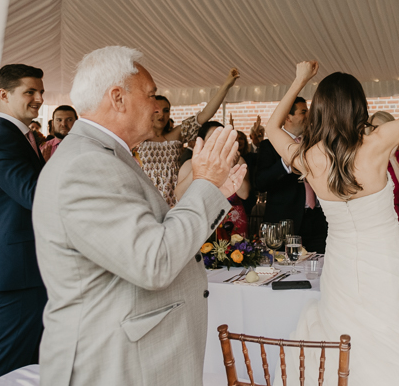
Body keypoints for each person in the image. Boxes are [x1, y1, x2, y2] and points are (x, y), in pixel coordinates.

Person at [33, 46, 246, 385]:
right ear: (117, 98)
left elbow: (146, 238)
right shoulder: (86, 165)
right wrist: (204, 185)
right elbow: (153, 261)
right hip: (114, 362)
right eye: (150, 95)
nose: (156, 105)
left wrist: (212, 193)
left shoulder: (106, 155)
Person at [269, 61, 399, 386]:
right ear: (358, 106)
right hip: (386, 259)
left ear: (319, 110)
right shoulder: (377, 143)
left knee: (345, 338)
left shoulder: (308, 157)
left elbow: (271, 129)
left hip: (340, 263)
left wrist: (298, 80)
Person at [0, 64, 47, 382]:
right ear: (4, 95)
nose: (38, 98)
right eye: (29, 91)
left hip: (27, 267)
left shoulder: (21, 136)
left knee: (28, 363)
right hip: (16, 270)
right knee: (8, 364)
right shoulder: (0, 138)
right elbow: (33, 194)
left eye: (41, 91)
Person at [136, 68, 239, 207]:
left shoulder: (176, 135)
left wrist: (227, 85)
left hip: (175, 199)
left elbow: (205, 115)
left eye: (166, 110)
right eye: (157, 110)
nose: (162, 114)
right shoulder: (136, 138)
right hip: (146, 200)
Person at [255, 97, 328, 253]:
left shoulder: (315, 144)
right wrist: (286, 163)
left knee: (320, 268)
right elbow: (260, 182)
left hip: (317, 219)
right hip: (286, 222)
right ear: (288, 117)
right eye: (303, 112)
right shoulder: (269, 146)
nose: (308, 115)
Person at [176, 121, 251, 237]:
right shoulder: (189, 164)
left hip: (233, 221)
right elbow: (179, 196)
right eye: (212, 137)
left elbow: (245, 194)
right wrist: (199, 165)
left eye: (221, 137)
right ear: (202, 141)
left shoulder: (237, 160)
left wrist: (231, 167)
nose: (217, 141)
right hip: (202, 222)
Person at [368, 111, 399, 236]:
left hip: (393, 221)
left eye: (384, 128)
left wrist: (392, 158)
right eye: (375, 128)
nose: (378, 132)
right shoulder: (364, 158)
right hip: (369, 220)